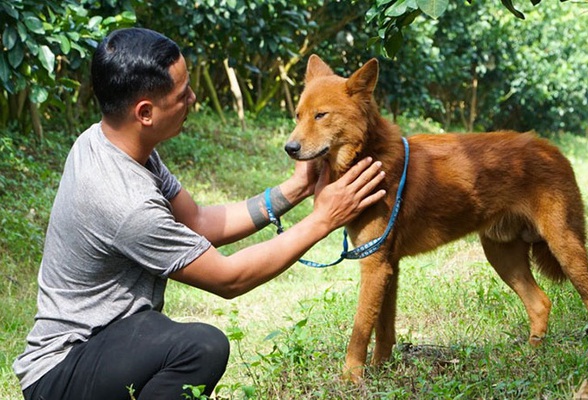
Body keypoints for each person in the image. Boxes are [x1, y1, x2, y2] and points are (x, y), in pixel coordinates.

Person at [13, 27, 386, 400]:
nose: (193, 97)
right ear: (145, 112)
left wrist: (296, 189)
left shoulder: (107, 141)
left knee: (166, 333)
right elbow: (229, 279)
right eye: (182, 94)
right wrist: (322, 219)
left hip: (109, 337)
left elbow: (200, 223)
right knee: (200, 348)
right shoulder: (124, 201)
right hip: (62, 371)